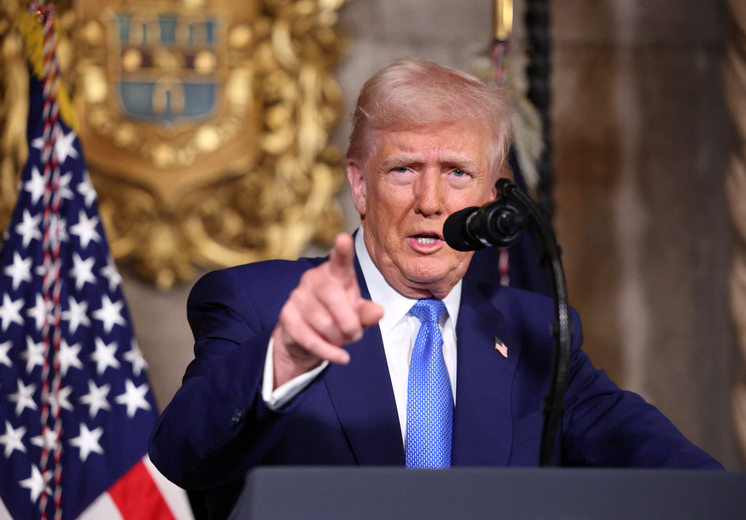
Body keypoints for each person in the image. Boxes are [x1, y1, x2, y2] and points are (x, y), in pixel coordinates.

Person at [148, 57, 722, 518]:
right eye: (403, 170)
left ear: (495, 197)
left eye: (457, 172)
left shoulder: (533, 332)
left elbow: (658, 463)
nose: (430, 201)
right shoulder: (260, 303)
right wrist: (285, 356)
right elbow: (182, 453)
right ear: (360, 183)